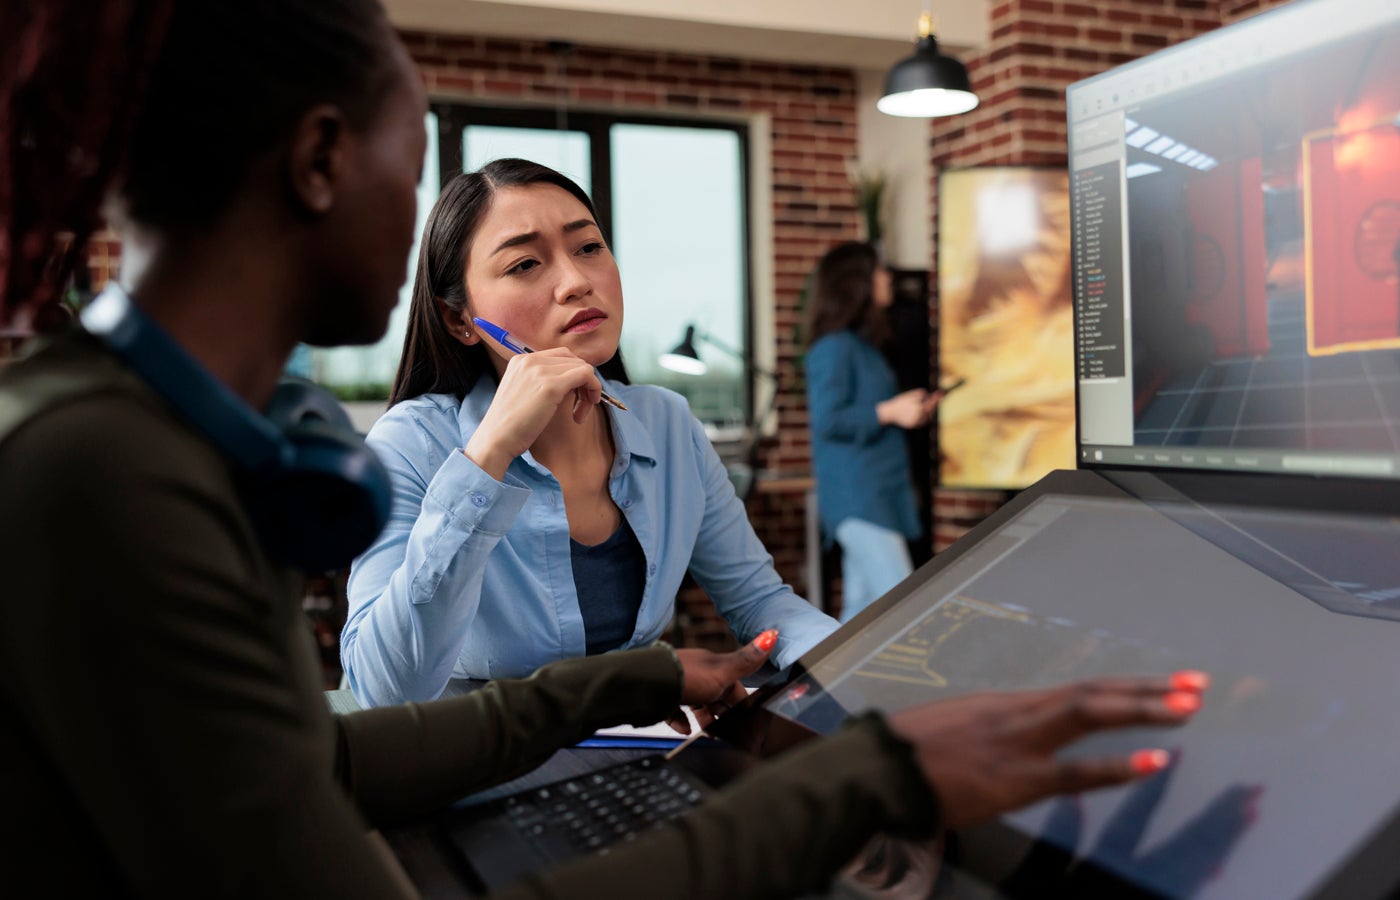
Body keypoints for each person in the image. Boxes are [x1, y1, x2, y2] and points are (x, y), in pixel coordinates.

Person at [0, 2, 1209, 897]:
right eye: (413, 164)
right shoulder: (108, 479)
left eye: (589, 244)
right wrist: (867, 778)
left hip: (605, 755)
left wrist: (671, 678)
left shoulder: (150, 439)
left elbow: (324, 756)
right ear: (323, 161)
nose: (575, 281)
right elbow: (378, 710)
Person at [340, 159, 841, 706]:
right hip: (463, 770)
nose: (577, 282)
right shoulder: (413, 442)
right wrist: (488, 455)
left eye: (588, 248)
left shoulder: (668, 425)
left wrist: (863, 670)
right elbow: (382, 694)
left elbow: (762, 602)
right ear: (460, 319)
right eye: (526, 263)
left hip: (622, 758)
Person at [805, 242, 940, 622]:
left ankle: (835, 683)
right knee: (907, 609)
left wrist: (907, 410)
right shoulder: (834, 348)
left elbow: (871, 412)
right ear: (857, 283)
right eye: (881, 270)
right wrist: (891, 410)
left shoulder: (863, 346)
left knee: (860, 617)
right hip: (859, 499)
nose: (889, 277)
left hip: (877, 494)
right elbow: (828, 420)